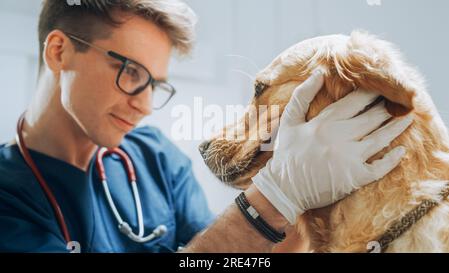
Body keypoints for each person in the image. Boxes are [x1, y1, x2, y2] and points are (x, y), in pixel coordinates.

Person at [0, 0, 412, 253]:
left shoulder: (153, 155)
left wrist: (308, 196)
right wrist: (276, 194)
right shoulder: (9, 195)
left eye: (156, 85)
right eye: (129, 71)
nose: (144, 104)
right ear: (59, 52)